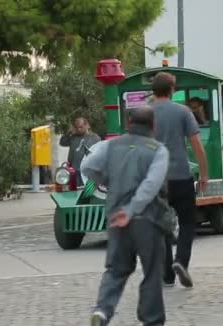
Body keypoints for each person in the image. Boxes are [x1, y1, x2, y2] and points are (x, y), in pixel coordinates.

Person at [82, 106, 169, 326]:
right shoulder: (158, 149)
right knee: (151, 271)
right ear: (153, 126)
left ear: (129, 124)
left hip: (115, 214)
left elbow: (87, 166)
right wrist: (131, 211)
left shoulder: (111, 145)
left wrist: (108, 181)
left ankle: (102, 311)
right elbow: (151, 185)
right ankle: (151, 320)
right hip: (146, 219)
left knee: (116, 269)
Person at [150, 72, 208, 288]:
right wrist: (203, 173)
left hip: (155, 179)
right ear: (172, 89)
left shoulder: (144, 113)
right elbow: (196, 143)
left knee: (163, 226)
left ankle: (167, 275)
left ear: (154, 90)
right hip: (181, 175)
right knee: (186, 222)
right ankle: (181, 261)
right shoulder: (183, 112)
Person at [60, 117, 101, 186]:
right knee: (75, 191)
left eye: (81, 127)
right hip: (74, 170)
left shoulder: (95, 138)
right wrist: (68, 132)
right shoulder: (73, 137)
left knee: (87, 191)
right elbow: (62, 143)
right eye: (76, 127)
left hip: (88, 170)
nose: (78, 129)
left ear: (87, 125)